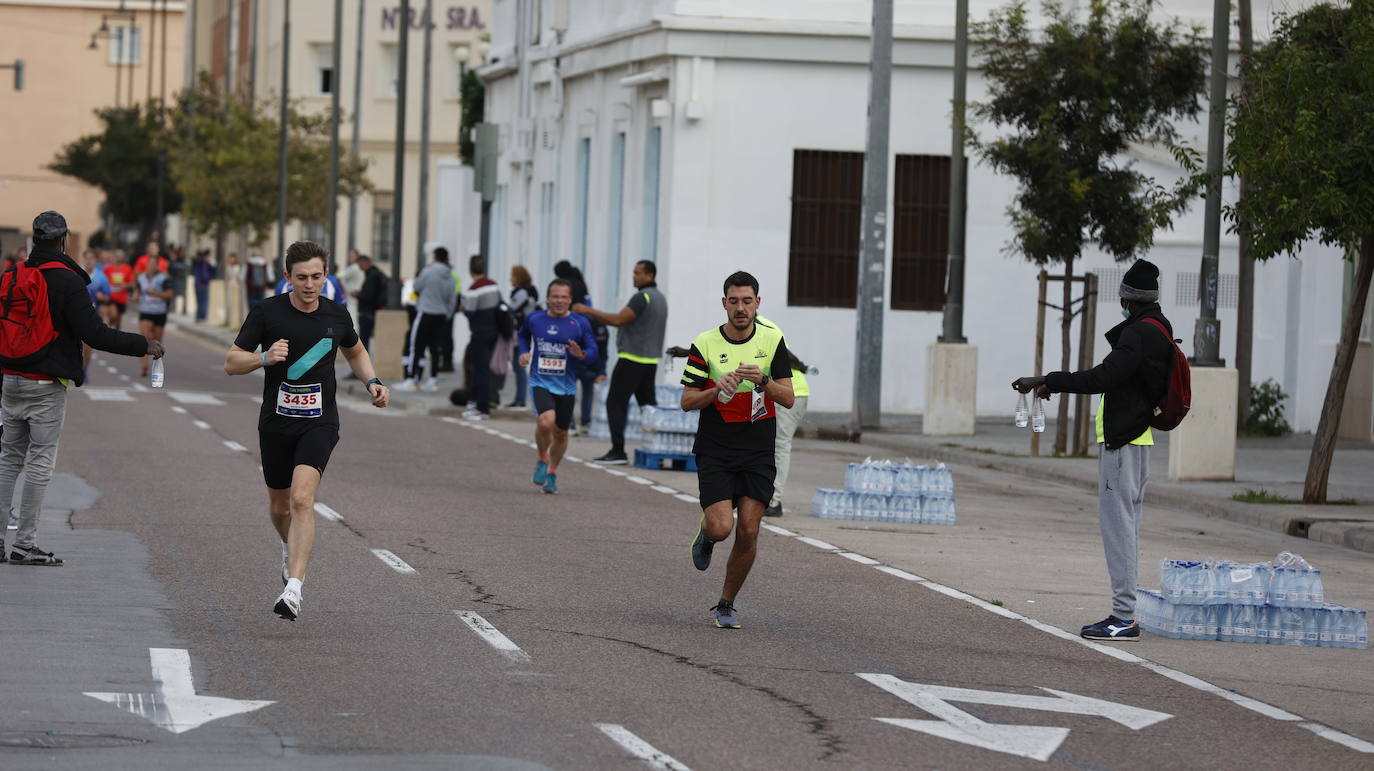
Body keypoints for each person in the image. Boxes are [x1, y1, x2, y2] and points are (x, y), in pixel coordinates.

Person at [224, 240, 391, 621]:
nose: (309, 284)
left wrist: (372, 382)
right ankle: (289, 548)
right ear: (287, 277)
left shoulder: (336, 315)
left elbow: (355, 351)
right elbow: (231, 363)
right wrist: (263, 358)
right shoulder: (267, 312)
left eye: (316, 276)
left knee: (302, 499)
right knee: (281, 506)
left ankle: (294, 589)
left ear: (325, 276)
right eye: (301, 277)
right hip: (276, 423)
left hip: (319, 421)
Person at [1013, 259, 1173, 643]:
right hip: (1139, 439)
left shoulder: (1138, 335)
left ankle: (1122, 617)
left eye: (1122, 297)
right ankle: (1126, 613)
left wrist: (1047, 379)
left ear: (1128, 299)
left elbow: (1103, 377)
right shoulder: (1160, 329)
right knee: (1128, 528)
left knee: (1118, 530)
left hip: (1123, 441)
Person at [0, 212, 162, 566]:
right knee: (40, 461)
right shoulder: (68, 280)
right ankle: (24, 544)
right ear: (63, 241)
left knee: (8, 459)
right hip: (45, 384)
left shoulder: (13, 274)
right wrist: (143, 345)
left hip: (10, 378)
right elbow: (95, 334)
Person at [681, 271, 794, 629]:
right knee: (721, 527)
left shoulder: (773, 340)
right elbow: (686, 401)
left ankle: (726, 603)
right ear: (724, 303)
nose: (741, 308)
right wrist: (716, 389)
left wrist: (762, 380)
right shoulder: (706, 343)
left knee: (749, 529)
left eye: (747, 300)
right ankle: (707, 534)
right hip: (716, 447)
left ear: (758, 303)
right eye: (734, 301)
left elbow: (788, 398)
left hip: (758, 448)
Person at [575, 260, 668, 465]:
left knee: (615, 402)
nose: (633, 276)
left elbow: (618, 320)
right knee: (648, 406)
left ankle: (618, 451)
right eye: (633, 272)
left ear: (650, 275)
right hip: (650, 361)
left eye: (638, 273)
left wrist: (588, 311)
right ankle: (656, 447)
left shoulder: (641, 297)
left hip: (632, 359)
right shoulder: (660, 298)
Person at [518, 279, 598, 495]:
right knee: (546, 422)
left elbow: (593, 351)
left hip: (567, 386)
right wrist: (523, 353)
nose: (559, 301)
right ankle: (542, 459)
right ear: (548, 297)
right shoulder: (535, 319)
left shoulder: (580, 323)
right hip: (540, 381)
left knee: (561, 433)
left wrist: (581, 354)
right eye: (555, 296)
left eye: (564, 297)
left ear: (570, 299)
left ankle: (552, 472)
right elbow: (523, 336)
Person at [554, 261, 606, 434]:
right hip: (589, 355)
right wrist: (601, 368)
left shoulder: (568, 317)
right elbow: (601, 343)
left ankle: (569, 423)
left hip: (571, 353)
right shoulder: (582, 285)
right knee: (587, 389)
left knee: (568, 389)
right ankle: (586, 423)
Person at [400, 247, 458, 392]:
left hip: (426, 312)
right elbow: (452, 300)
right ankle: (432, 380)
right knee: (435, 348)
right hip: (441, 315)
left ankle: (411, 379)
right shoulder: (451, 276)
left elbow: (416, 286)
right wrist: (447, 315)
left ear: (435, 257)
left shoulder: (428, 271)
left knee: (416, 346)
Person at [459, 255, 501, 419]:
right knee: (484, 370)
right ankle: (478, 403)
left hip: (480, 333)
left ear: (470, 270)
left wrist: (462, 306)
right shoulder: (494, 286)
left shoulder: (474, 289)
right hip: (493, 332)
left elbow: (469, 311)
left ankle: (481, 408)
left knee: (479, 370)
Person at [133, 253, 174, 377]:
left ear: (157, 265)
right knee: (144, 339)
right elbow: (137, 292)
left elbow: (169, 295)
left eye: (153, 264)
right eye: (149, 264)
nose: (150, 266)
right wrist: (135, 296)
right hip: (145, 311)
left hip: (159, 312)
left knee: (157, 343)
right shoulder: (141, 278)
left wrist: (157, 293)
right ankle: (144, 366)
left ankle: (156, 369)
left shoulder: (164, 278)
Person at [506, 265, 540, 408]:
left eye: (513, 276)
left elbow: (511, 309)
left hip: (519, 333)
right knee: (519, 365)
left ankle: (520, 399)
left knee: (518, 366)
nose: (510, 279)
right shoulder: (529, 291)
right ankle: (520, 398)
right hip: (525, 332)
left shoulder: (522, 293)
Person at [78, 249, 113, 378]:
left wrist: (101, 297)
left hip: (92, 315)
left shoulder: (101, 277)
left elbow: (108, 297)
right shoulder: (76, 274)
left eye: (91, 258)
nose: (89, 261)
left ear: (95, 260)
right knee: (77, 344)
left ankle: (84, 369)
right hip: (77, 314)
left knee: (87, 346)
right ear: (83, 259)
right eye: (87, 258)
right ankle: (77, 367)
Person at [352, 254, 386, 353]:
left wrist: (357, 294)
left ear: (365, 263)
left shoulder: (372, 276)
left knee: (364, 340)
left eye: (359, 264)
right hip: (371, 312)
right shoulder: (375, 274)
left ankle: (363, 366)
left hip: (367, 313)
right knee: (364, 339)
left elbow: (369, 296)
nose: (359, 267)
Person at [103, 251, 135, 331]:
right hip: (111, 297)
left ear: (123, 258)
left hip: (122, 298)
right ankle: (109, 327)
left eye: (120, 256)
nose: (118, 258)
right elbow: (103, 280)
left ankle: (116, 336)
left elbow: (132, 283)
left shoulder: (127, 268)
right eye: (117, 256)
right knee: (113, 315)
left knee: (118, 322)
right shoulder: (108, 268)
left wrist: (125, 285)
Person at [192, 249, 215, 321]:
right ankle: (201, 317)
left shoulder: (199, 263)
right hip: (202, 284)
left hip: (199, 284)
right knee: (203, 301)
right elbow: (205, 275)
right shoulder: (204, 263)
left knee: (200, 301)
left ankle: (199, 316)